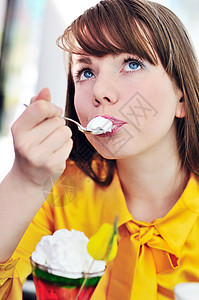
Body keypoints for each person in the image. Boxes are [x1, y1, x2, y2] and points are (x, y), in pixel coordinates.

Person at [0, 0, 199, 299]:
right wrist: (23, 182)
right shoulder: (61, 191)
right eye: (85, 72)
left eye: (132, 64)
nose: (100, 92)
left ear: (181, 98)